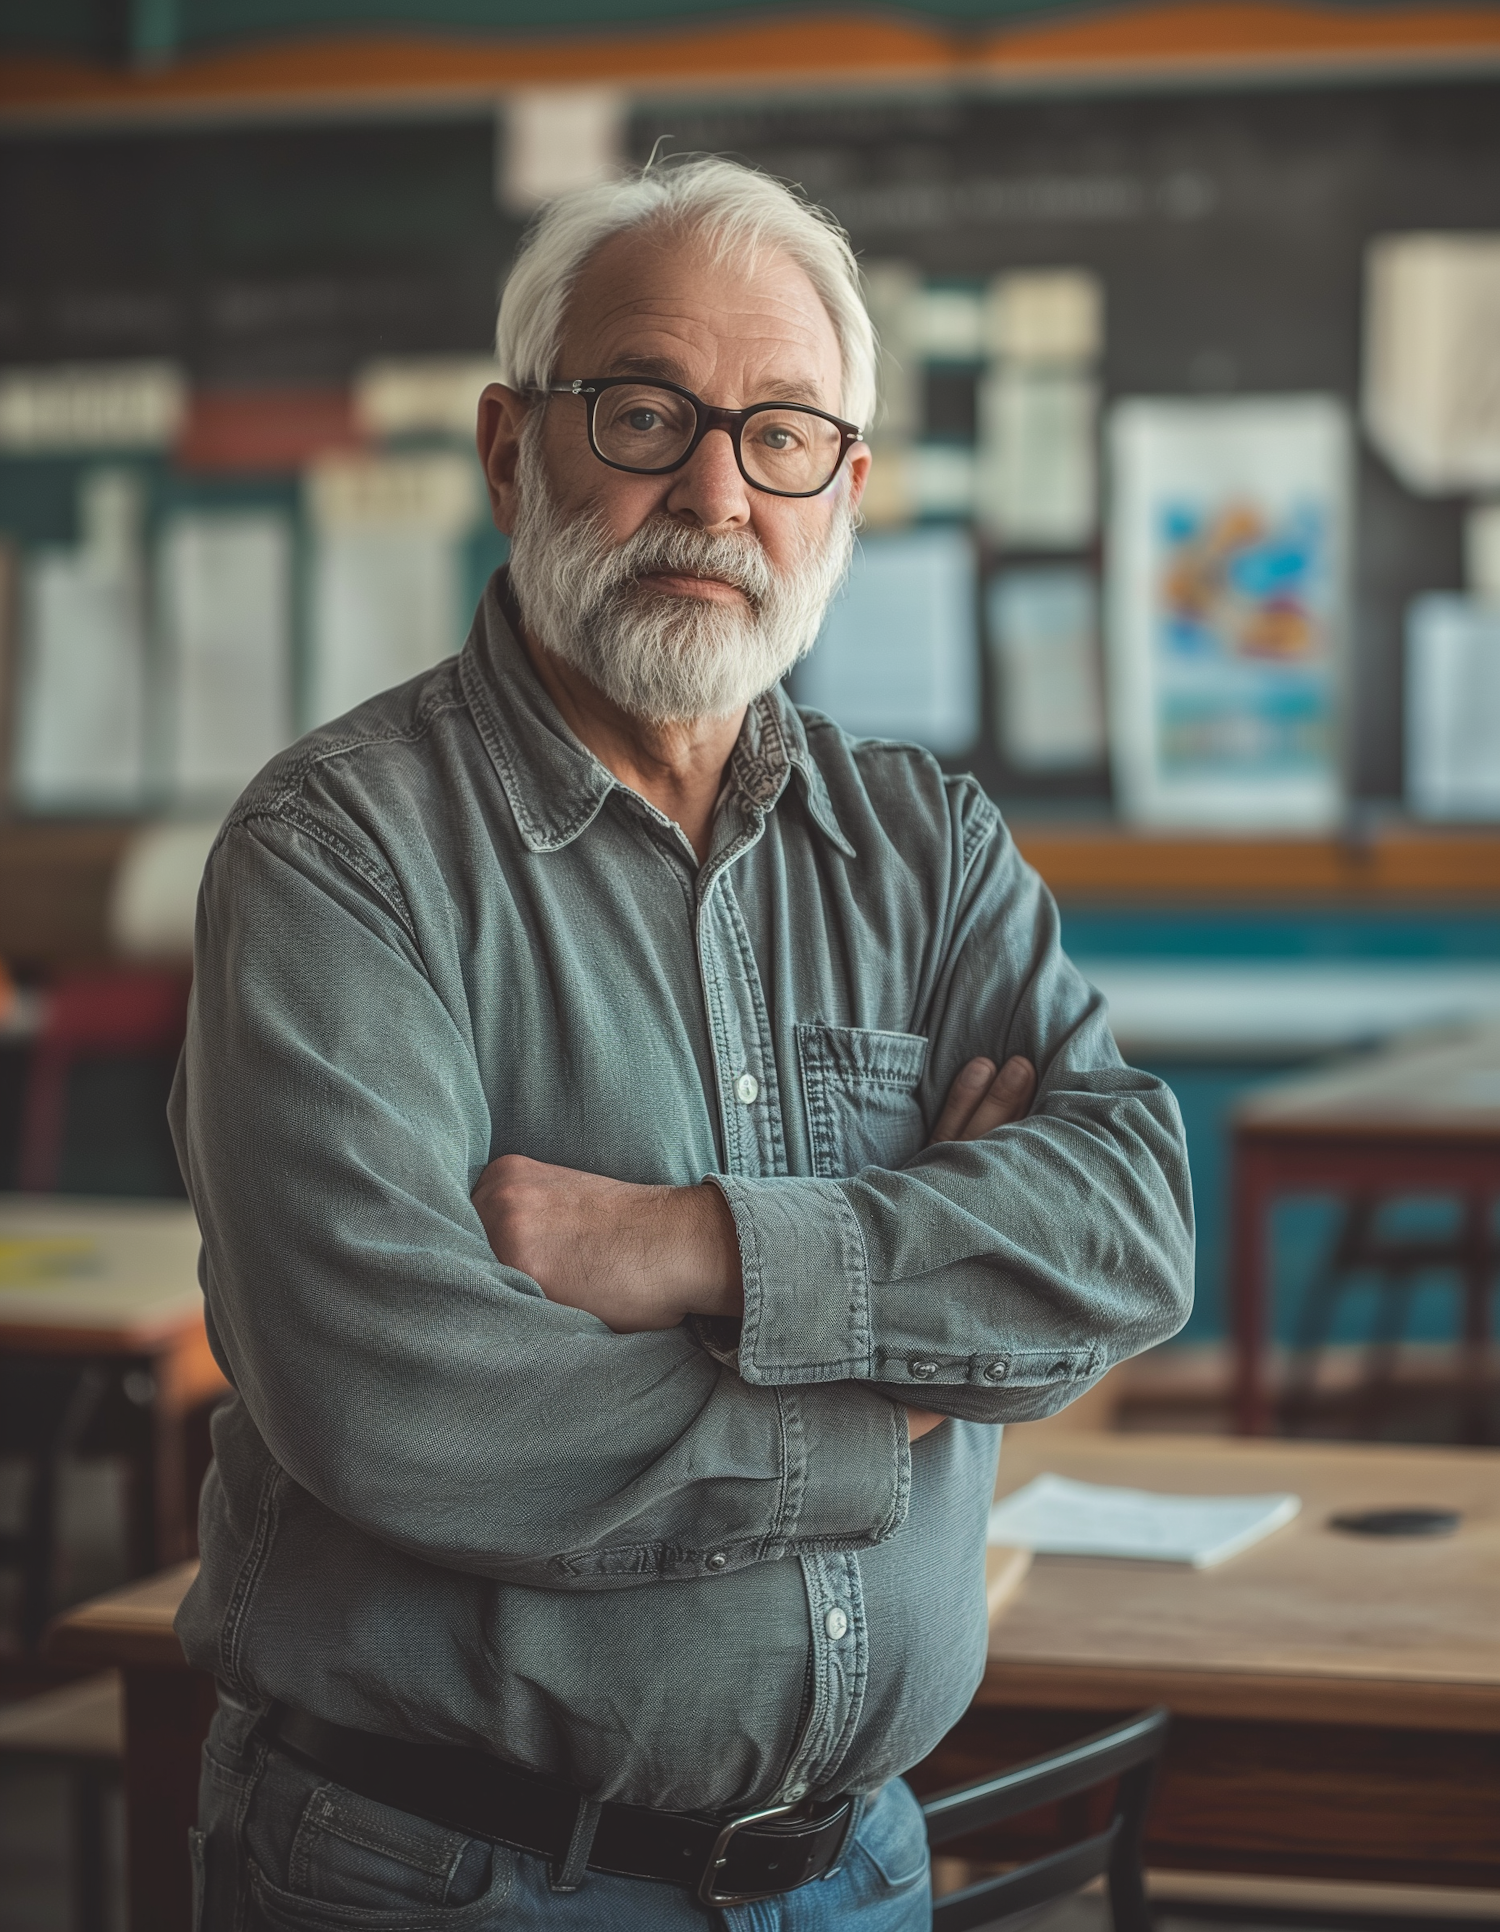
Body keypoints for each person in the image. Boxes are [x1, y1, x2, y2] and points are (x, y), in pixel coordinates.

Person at [172, 155, 1193, 1930]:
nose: (715, 488)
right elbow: (405, 1396)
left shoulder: (926, 848)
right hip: (444, 1877)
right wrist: (892, 1406)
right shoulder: (337, 855)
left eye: (784, 431)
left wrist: (686, 1248)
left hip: (858, 1865)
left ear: (845, 490)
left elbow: (1120, 1229)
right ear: (511, 449)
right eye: (645, 413)